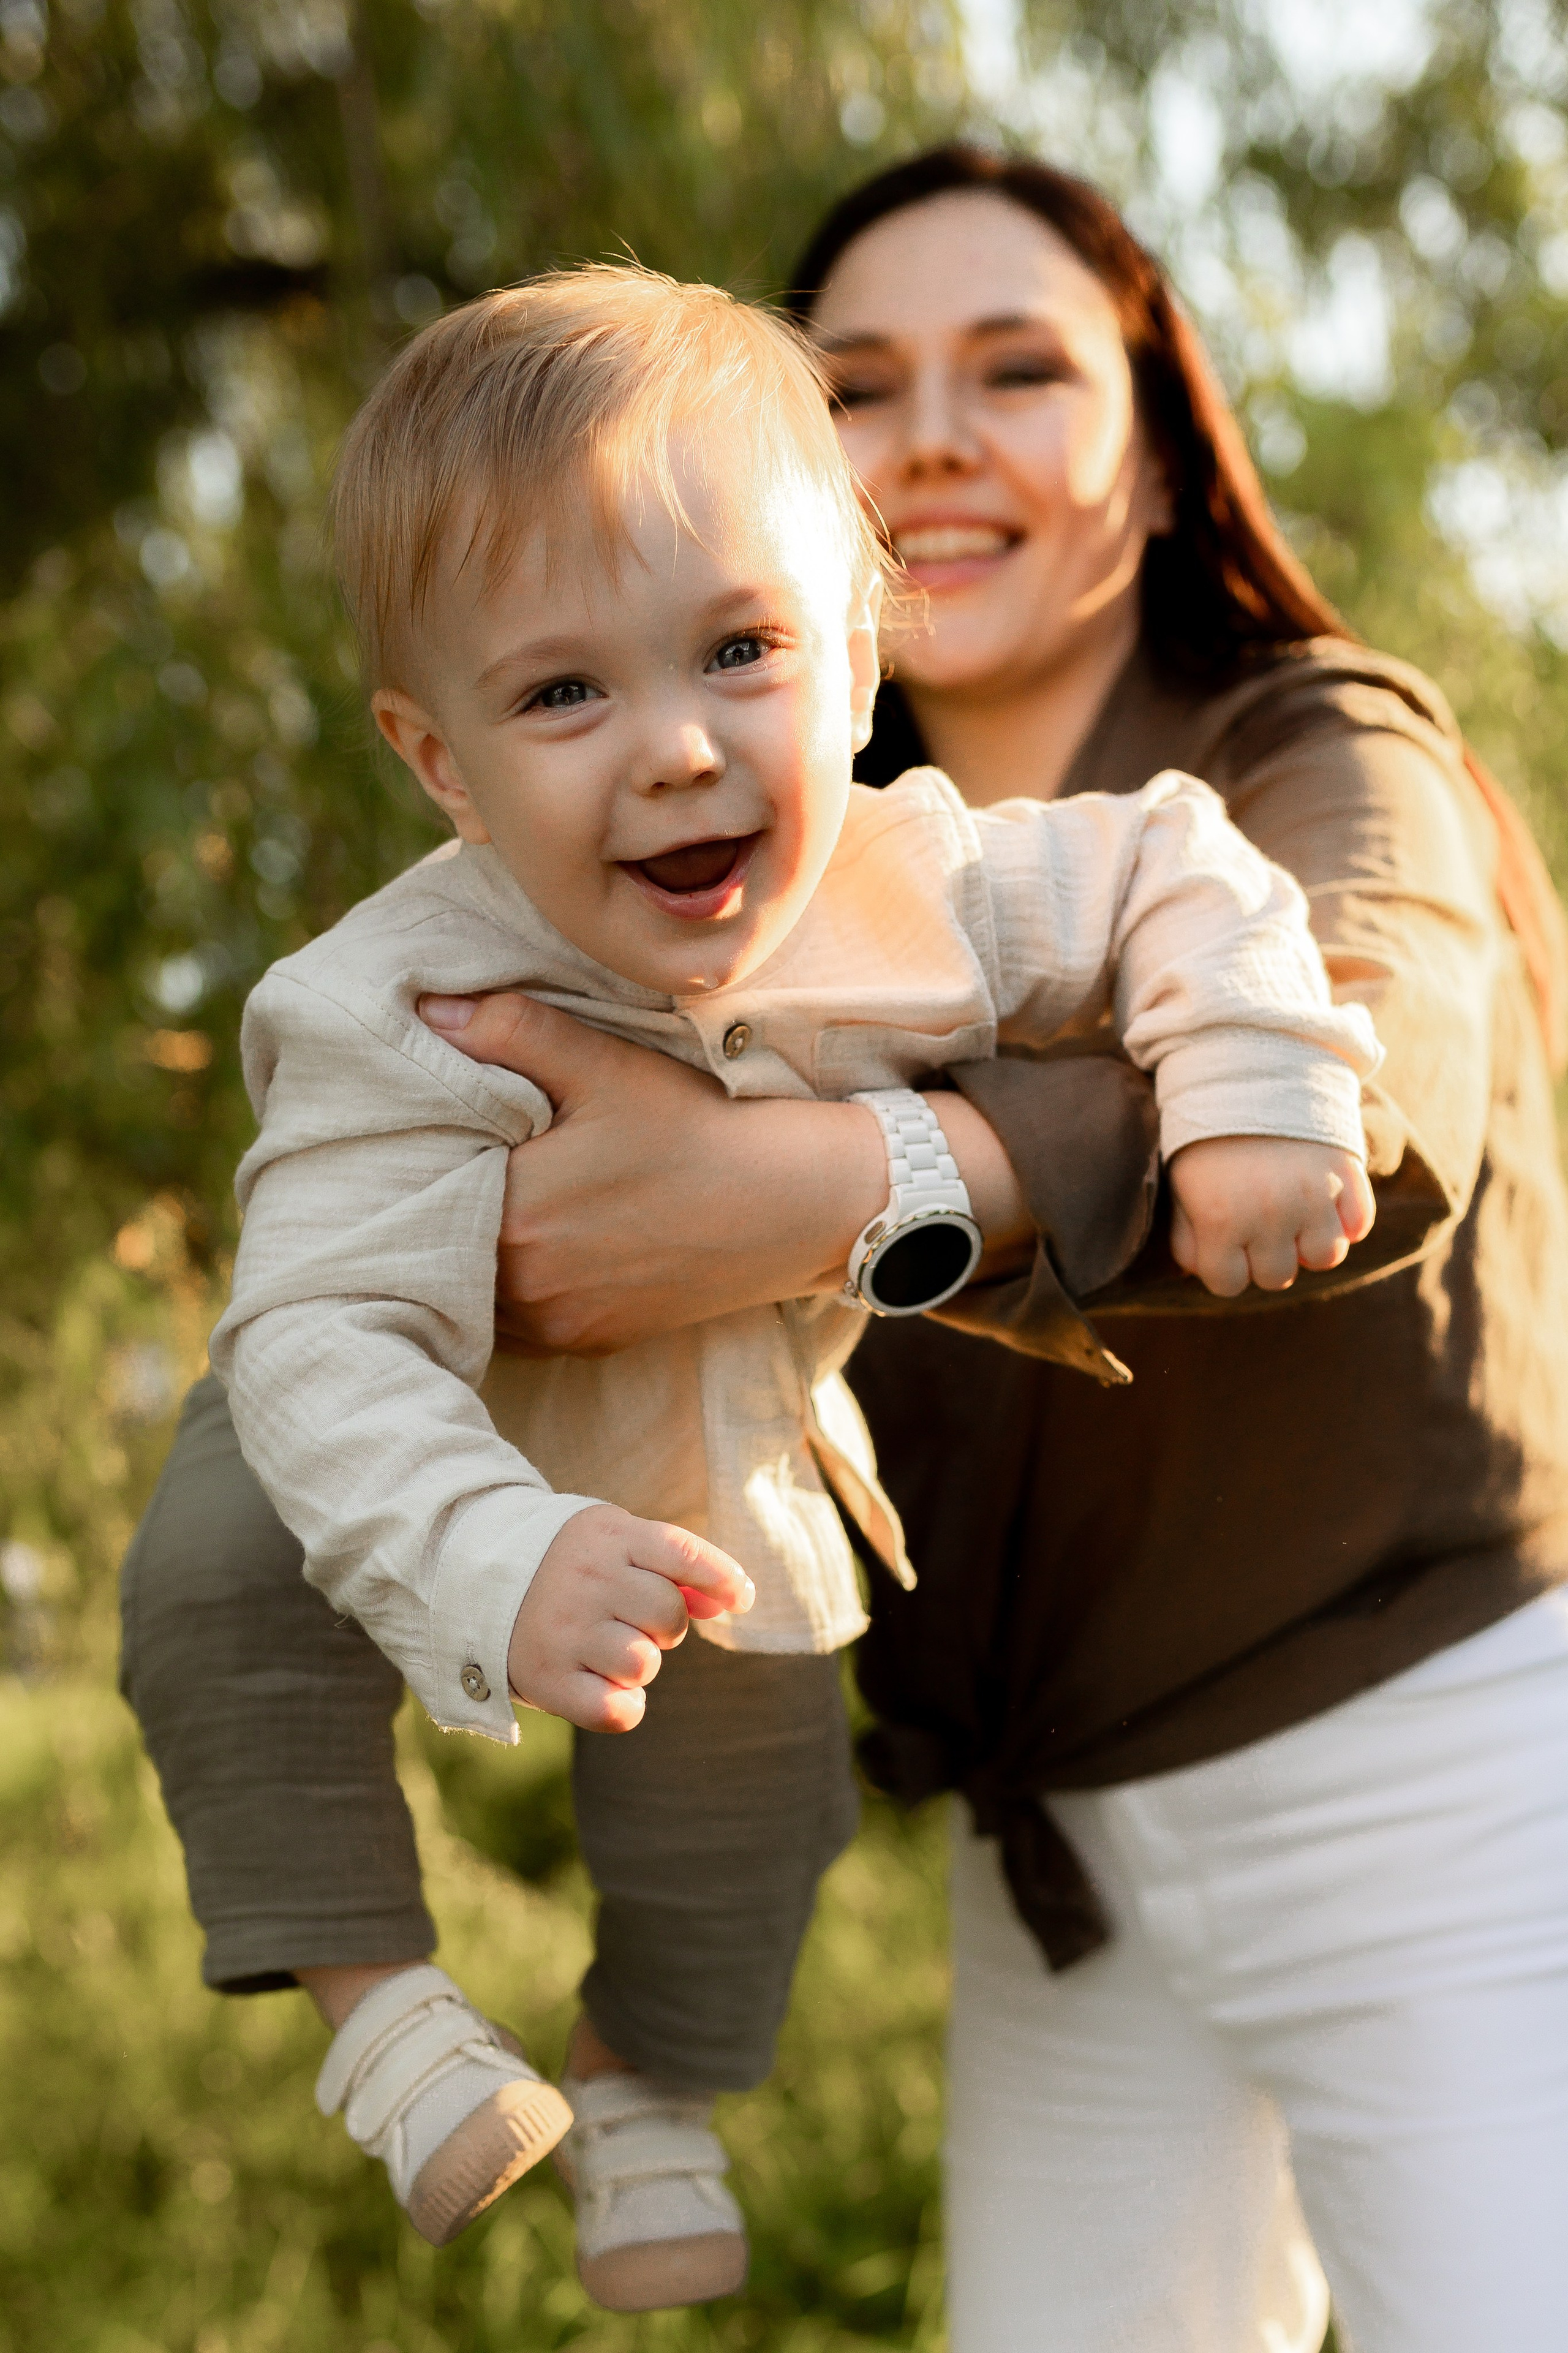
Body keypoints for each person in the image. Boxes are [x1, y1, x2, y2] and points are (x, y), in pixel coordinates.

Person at [120, 144, 1568, 2350]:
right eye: (865, 382)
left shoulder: (1284, 744)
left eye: (1022, 368)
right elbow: (360, 1310)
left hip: (1414, 1777)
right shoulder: (649, 882)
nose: (939, 435)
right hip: (1066, 1841)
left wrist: (809, 1190)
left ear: (1163, 449)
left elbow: (1379, 1073)